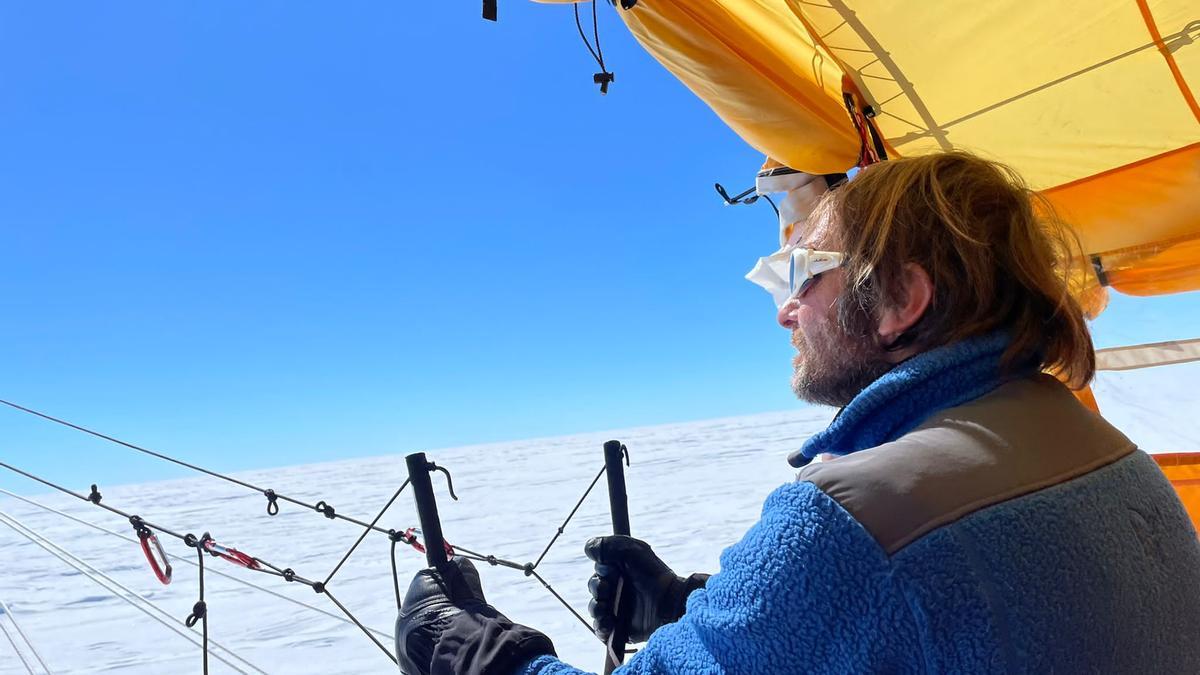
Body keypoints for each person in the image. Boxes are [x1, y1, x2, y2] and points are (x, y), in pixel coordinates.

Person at [393, 151, 1200, 674]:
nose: (785, 312)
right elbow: (944, 621)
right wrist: (687, 605)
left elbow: (880, 578)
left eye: (801, 273)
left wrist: (478, 651)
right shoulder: (1095, 445)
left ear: (900, 300)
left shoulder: (861, 514)